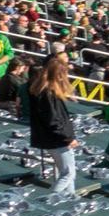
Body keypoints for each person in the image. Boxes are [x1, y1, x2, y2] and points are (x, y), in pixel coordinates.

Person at [28, 53, 79, 193]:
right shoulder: (48, 93)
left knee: (68, 174)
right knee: (68, 174)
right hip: (57, 139)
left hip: (50, 138)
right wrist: (69, 138)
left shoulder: (40, 90)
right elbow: (53, 121)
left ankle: (71, 199)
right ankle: (49, 200)